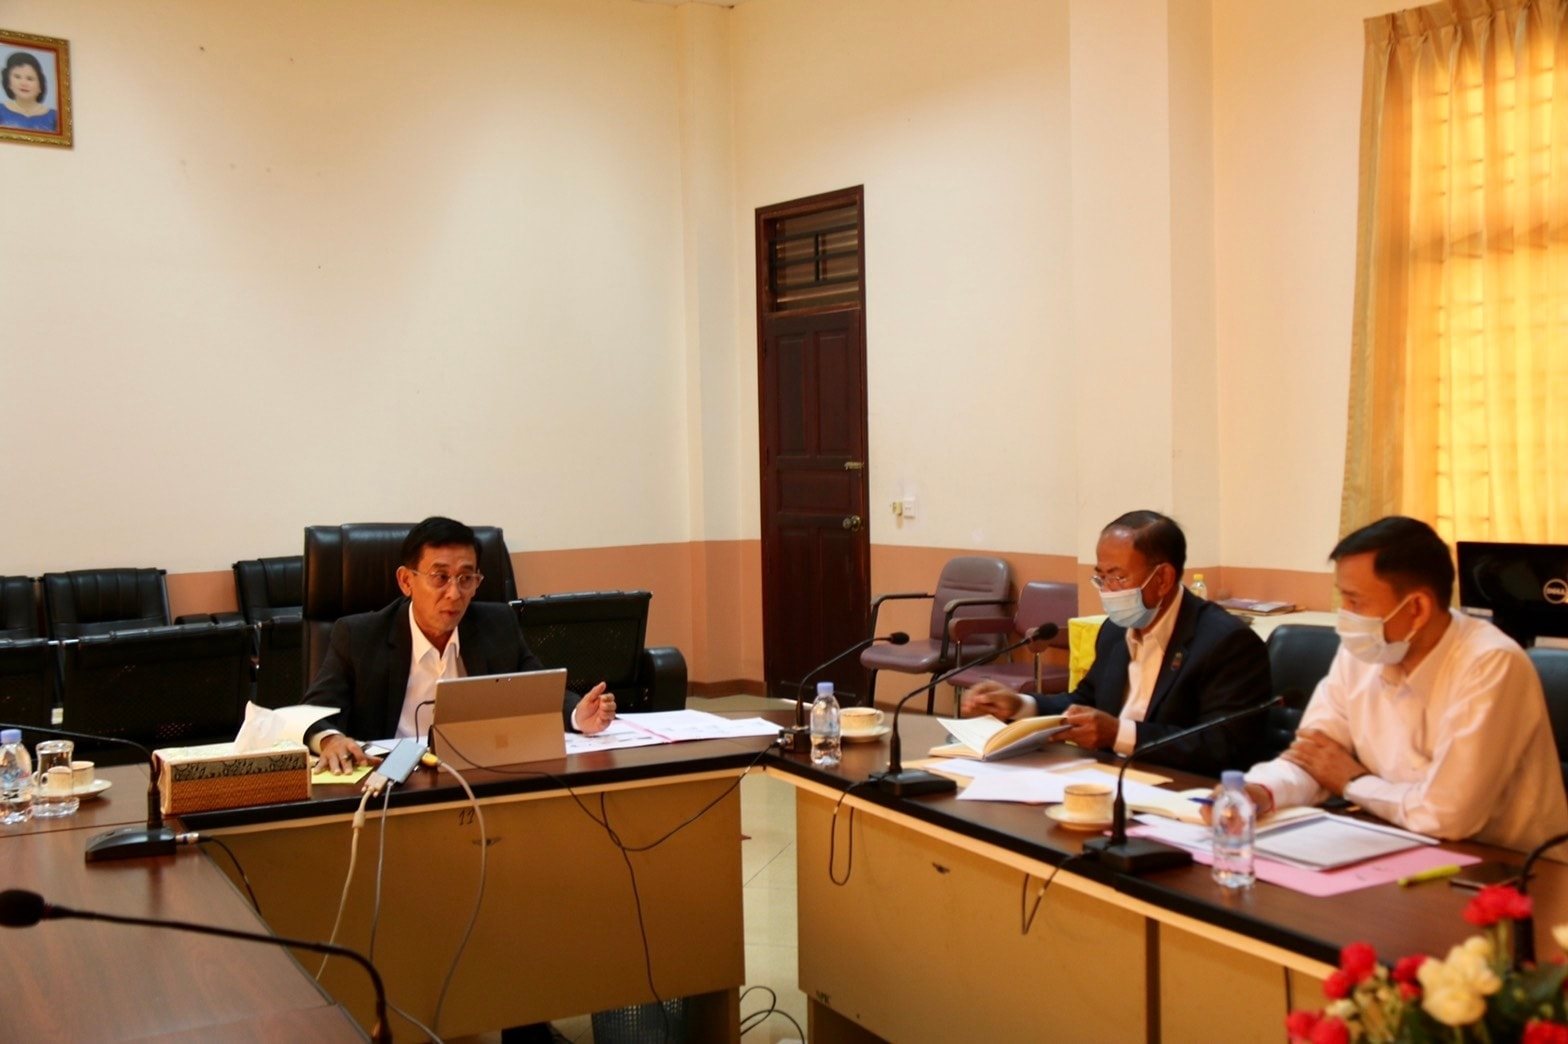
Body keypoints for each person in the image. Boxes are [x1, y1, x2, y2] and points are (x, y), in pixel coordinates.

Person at [1238, 516, 1568, 854]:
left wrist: (1353, 781)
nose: (1345, 616)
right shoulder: (1365, 651)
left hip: (1508, 865)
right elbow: (1314, 759)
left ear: (1417, 608)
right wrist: (1258, 792)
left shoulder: (1490, 664)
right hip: (1396, 844)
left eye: (1355, 601)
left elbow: (1447, 815)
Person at [962, 510, 1271, 775]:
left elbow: (1223, 747)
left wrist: (1119, 734)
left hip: (1178, 791)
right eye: (1101, 577)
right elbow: (1086, 701)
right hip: (1108, 777)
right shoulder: (1114, 630)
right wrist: (1021, 706)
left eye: (1118, 577)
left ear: (1163, 579)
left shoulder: (1225, 642)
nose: (1107, 590)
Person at [305, 516, 617, 774]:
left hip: (477, 773)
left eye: (466, 578)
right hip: (392, 781)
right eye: (440, 577)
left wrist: (577, 714)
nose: (455, 594)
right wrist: (330, 739)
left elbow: (535, 689)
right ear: (406, 581)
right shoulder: (359, 636)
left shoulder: (497, 624)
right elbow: (312, 713)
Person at [0, 52, 58, 132]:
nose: (23, 83)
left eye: (30, 79)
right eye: (17, 77)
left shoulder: (55, 117)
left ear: (40, 86)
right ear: (8, 82)